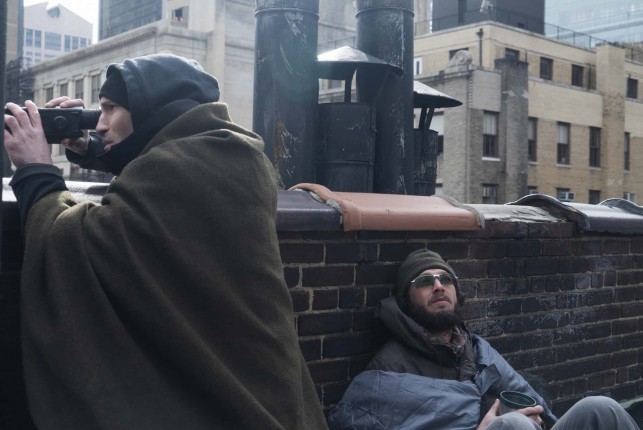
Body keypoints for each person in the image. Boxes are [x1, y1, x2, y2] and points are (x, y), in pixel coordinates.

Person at [4, 53, 328, 430]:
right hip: (270, 390)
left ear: (150, 109)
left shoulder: (178, 169)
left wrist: (36, 171)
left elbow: (75, 241)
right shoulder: (233, 152)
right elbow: (152, 167)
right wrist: (92, 146)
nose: (101, 122)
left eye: (110, 109)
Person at [327, 248, 640, 430]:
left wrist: (535, 416)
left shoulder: (476, 349)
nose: (438, 286)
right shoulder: (389, 366)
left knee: (600, 408)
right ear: (406, 301)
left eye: (445, 279)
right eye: (424, 281)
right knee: (512, 425)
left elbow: (537, 408)